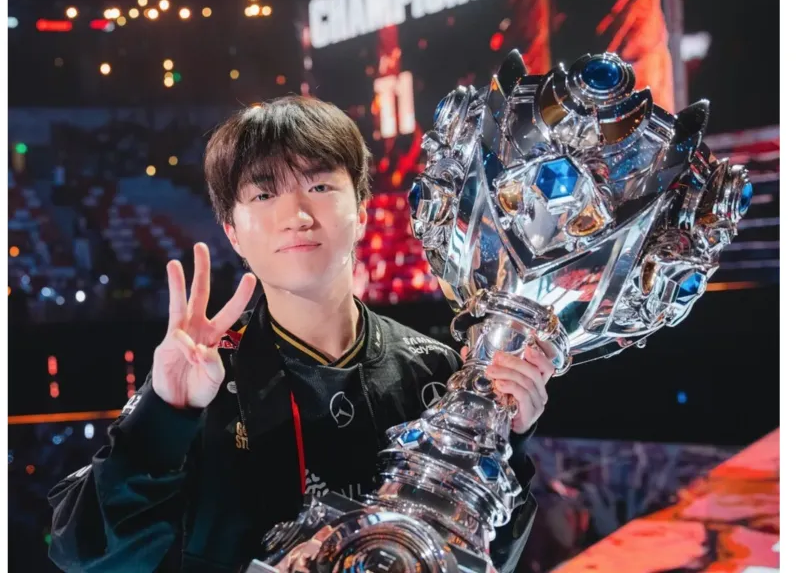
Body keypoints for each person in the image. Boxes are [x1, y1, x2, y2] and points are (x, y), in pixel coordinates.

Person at [47, 96, 555, 573]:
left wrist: (507, 438)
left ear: (362, 210)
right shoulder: (203, 379)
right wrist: (164, 415)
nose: (296, 216)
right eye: (264, 194)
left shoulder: (435, 371)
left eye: (319, 186)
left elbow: (483, 557)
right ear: (232, 232)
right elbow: (87, 555)